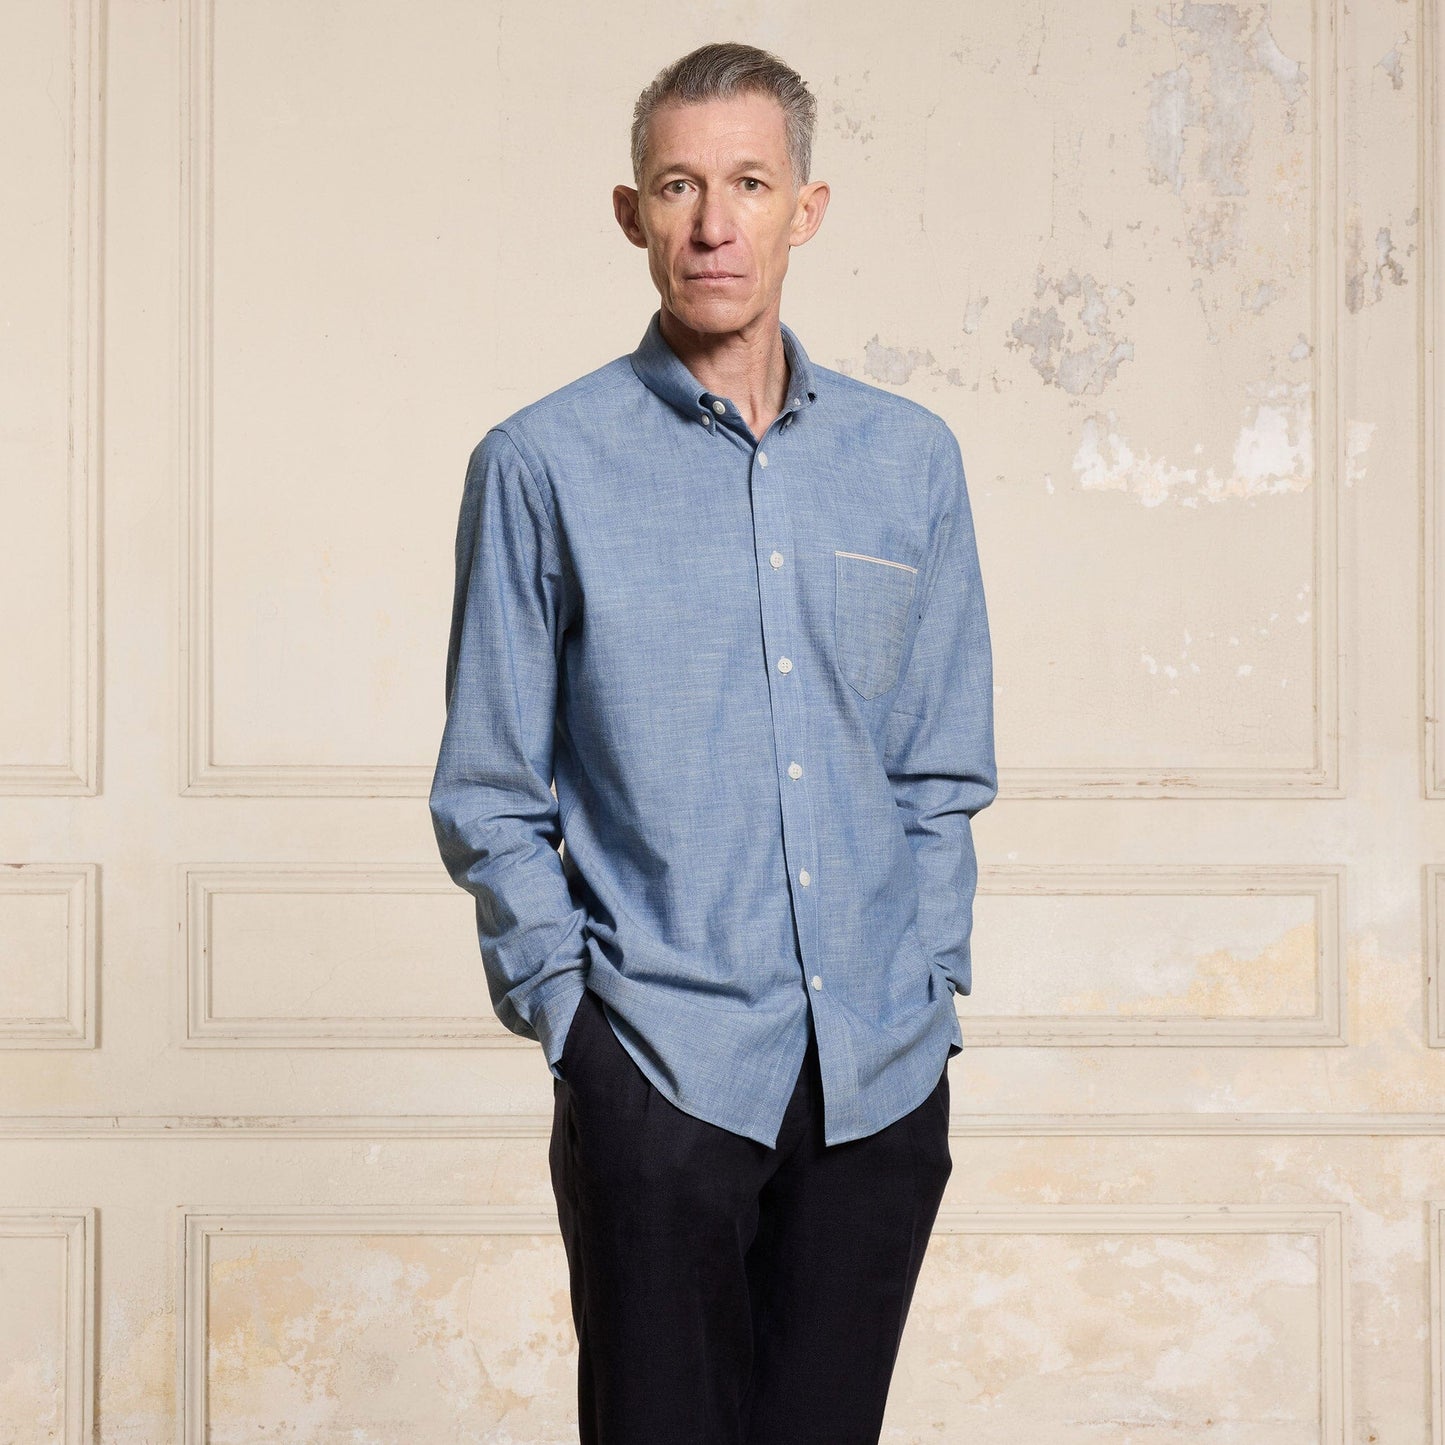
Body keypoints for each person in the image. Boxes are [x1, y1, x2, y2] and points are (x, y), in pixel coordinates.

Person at [429, 39, 997, 1445]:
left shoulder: (909, 459)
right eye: (679, 185)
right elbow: (490, 789)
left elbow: (937, 768)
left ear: (807, 209)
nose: (713, 224)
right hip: (658, 1068)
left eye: (748, 183)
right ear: (632, 214)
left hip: (877, 1072)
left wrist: (929, 988)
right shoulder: (540, 463)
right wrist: (579, 1034)